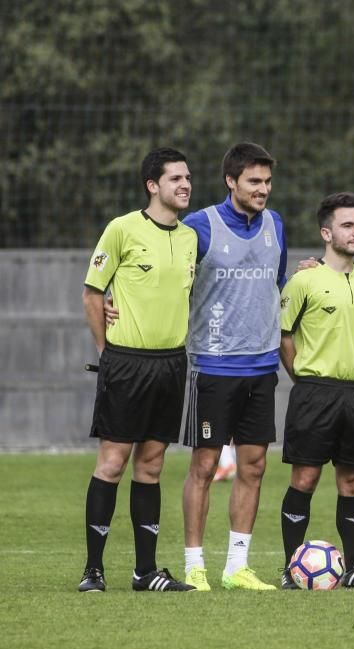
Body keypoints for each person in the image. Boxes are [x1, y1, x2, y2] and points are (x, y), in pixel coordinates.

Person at [79, 147, 199, 593]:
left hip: (172, 363)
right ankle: (94, 569)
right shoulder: (122, 229)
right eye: (176, 179)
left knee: (151, 466)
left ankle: (145, 572)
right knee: (113, 463)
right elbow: (93, 292)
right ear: (153, 185)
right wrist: (105, 350)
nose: (185, 184)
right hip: (126, 363)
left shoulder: (190, 237)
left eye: (188, 178)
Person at [179, 142, 288, 591]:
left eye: (267, 182)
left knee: (255, 466)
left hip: (262, 366)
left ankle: (236, 566)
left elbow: (274, 285)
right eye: (253, 181)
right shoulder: (198, 226)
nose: (262, 189)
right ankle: (194, 565)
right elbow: (174, 285)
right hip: (213, 365)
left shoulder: (276, 225)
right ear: (231, 181)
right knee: (204, 467)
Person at [277, 192, 354, 589]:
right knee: (304, 479)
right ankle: (292, 569)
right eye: (347, 225)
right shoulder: (304, 280)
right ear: (327, 233)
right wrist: (304, 379)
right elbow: (284, 337)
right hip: (313, 393)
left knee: (353, 483)